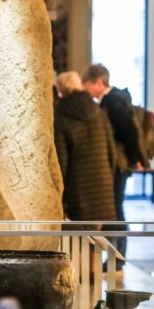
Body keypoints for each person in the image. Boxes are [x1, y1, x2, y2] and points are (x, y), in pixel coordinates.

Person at [81, 64, 143, 261]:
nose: (85, 89)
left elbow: (130, 134)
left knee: (115, 208)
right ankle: (115, 256)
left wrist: (134, 160)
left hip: (118, 165)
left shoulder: (114, 102)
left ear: (99, 82)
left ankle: (118, 257)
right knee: (114, 208)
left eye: (88, 84)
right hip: (117, 164)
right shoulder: (111, 101)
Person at [53, 71, 116, 225]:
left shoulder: (61, 115)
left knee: (80, 239)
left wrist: (60, 192)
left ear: (60, 91)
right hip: (102, 184)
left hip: (78, 186)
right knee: (97, 239)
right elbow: (111, 150)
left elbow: (62, 159)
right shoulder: (98, 111)